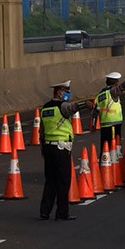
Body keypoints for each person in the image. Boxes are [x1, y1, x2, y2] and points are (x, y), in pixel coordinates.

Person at [39, 80, 95, 221]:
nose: (68, 93)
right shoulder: (61, 107)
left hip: (48, 147)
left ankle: (44, 211)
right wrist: (86, 104)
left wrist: (43, 149)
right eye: (66, 90)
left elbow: (42, 131)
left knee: (50, 180)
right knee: (63, 181)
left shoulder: (45, 108)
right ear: (59, 92)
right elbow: (73, 107)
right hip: (61, 148)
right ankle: (62, 213)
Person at [94, 71, 125, 149]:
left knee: (105, 146)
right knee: (115, 146)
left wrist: (94, 124)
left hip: (104, 124)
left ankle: (104, 159)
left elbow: (95, 110)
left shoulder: (100, 94)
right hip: (114, 123)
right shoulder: (112, 92)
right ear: (116, 83)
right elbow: (123, 86)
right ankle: (115, 159)